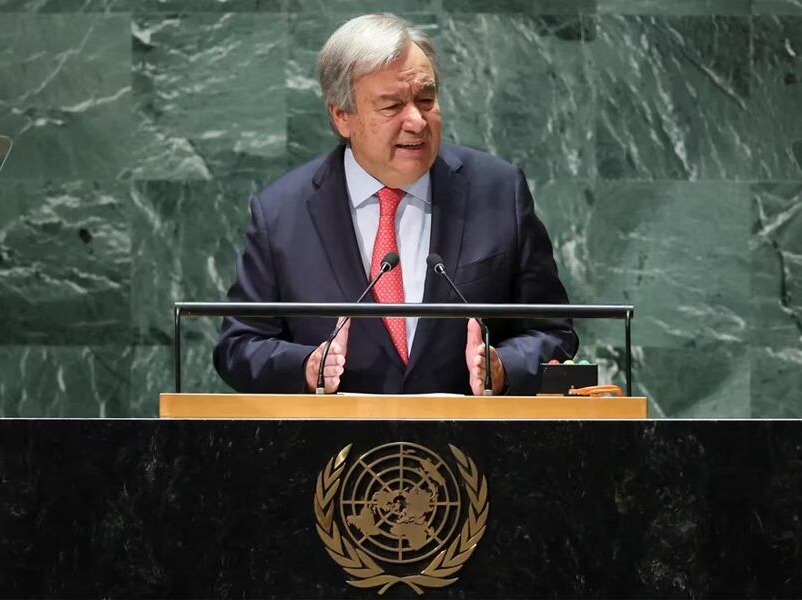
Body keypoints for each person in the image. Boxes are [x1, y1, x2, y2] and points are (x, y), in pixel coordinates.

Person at [213, 13, 577, 395]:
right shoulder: (281, 214)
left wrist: (503, 368)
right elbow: (239, 346)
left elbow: (552, 330)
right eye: (391, 106)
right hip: (333, 449)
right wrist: (306, 367)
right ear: (342, 116)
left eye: (426, 99)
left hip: (474, 446)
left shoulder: (499, 192)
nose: (417, 121)